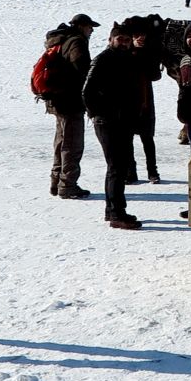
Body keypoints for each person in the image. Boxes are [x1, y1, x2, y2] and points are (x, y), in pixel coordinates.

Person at [83, 22, 145, 230]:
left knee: (118, 166)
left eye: (127, 40)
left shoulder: (129, 59)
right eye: (120, 39)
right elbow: (87, 92)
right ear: (111, 40)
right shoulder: (103, 59)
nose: (124, 43)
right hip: (109, 122)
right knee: (117, 167)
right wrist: (99, 114)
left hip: (124, 121)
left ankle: (113, 210)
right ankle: (117, 213)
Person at [43, 15, 96, 198]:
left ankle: (56, 181)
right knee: (72, 144)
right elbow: (81, 68)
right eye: (90, 27)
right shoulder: (76, 42)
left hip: (56, 100)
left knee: (60, 141)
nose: (92, 31)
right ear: (82, 26)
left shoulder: (59, 40)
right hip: (70, 101)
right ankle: (68, 185)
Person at [127, 18, 163, 185]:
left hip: (145, 102)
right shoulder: (124, 54)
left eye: (142, 35)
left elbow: (156, 76)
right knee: (127, 140)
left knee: (147, 139)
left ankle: (152, 172)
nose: (140, 38)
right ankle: (130, 172)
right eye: (136, 35)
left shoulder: (149, 53)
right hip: (128, 104)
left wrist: (148, 57)